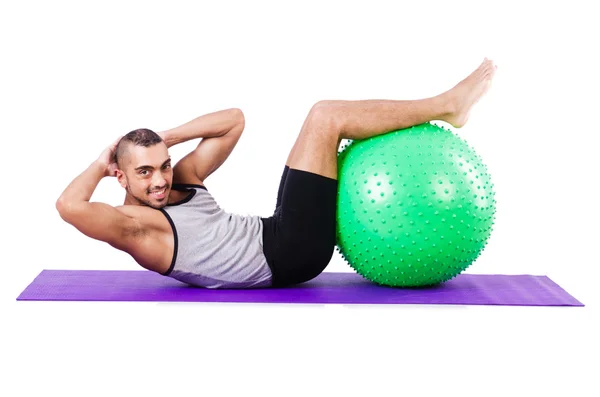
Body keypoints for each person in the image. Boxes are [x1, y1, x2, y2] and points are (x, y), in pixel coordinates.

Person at [56, 58, 497, 289]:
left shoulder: (181, 180)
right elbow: (69, 206)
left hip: (277, 231)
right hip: (291, 254)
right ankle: (447, 106)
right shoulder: (138, 227)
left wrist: (164, 138)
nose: (159, 179)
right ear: (123, 178)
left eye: (164, 166)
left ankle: (447, 106)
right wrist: (100, 163)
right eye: (145, 172)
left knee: (321, 118)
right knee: (325, 117)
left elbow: (234, 120)